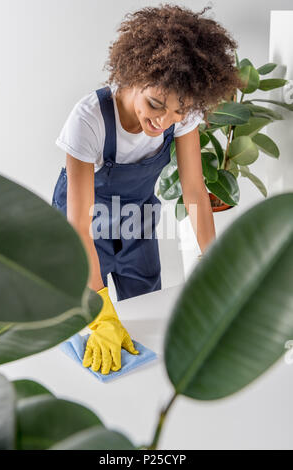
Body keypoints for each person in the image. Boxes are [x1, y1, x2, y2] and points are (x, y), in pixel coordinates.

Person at [52, 4, 243, 374]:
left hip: (137, 224)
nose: (164, 120)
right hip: (83, 229)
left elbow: (194, 191)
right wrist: (101, 312)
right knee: (81, 330)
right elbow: (78, 227)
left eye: (178, 111)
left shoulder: (180, 109)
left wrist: (214, 263)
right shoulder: (88, 120)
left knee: (147, 319)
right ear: (132, 76)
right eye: (155, 104)